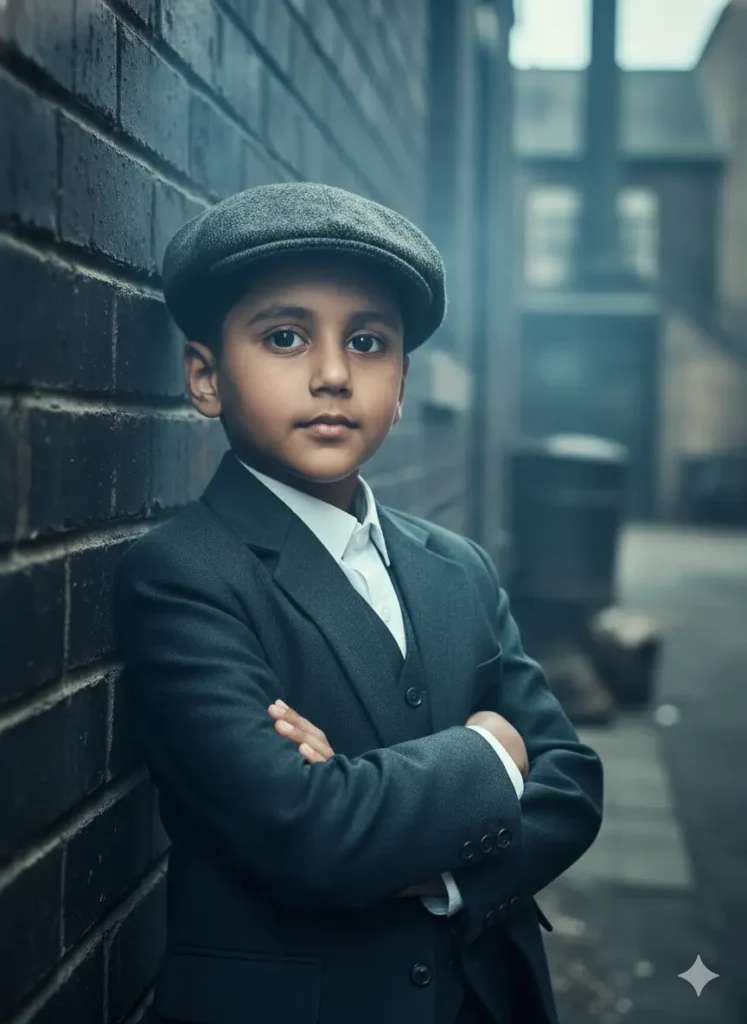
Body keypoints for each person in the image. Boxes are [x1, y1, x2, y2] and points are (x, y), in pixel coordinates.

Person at [113, 182, 603, 1024]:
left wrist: (442, 870)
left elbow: (571, 783)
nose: (334, 374)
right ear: (205, 376)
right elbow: (305, 832)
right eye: (285, 336)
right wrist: (488, 755)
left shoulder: (457, 566)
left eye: (368, 342)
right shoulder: (183, 574)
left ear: (403, 382)